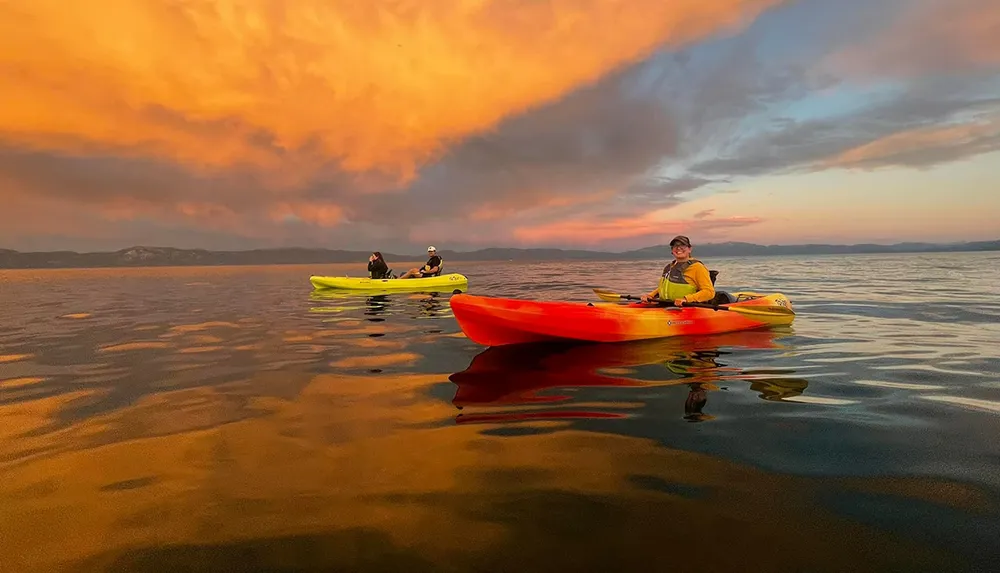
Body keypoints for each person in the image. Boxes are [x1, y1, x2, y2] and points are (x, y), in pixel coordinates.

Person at [640, 235, 715, 306]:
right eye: (675, 246)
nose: (678, 248)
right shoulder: (669, 267)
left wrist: (686, 299)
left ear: (689, 249)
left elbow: (709, 292)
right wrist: (651, 295)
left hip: (687, 309)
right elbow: (664, 288)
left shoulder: (698, 267)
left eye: (682, 245)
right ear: (672, 251)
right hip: (665, 307)